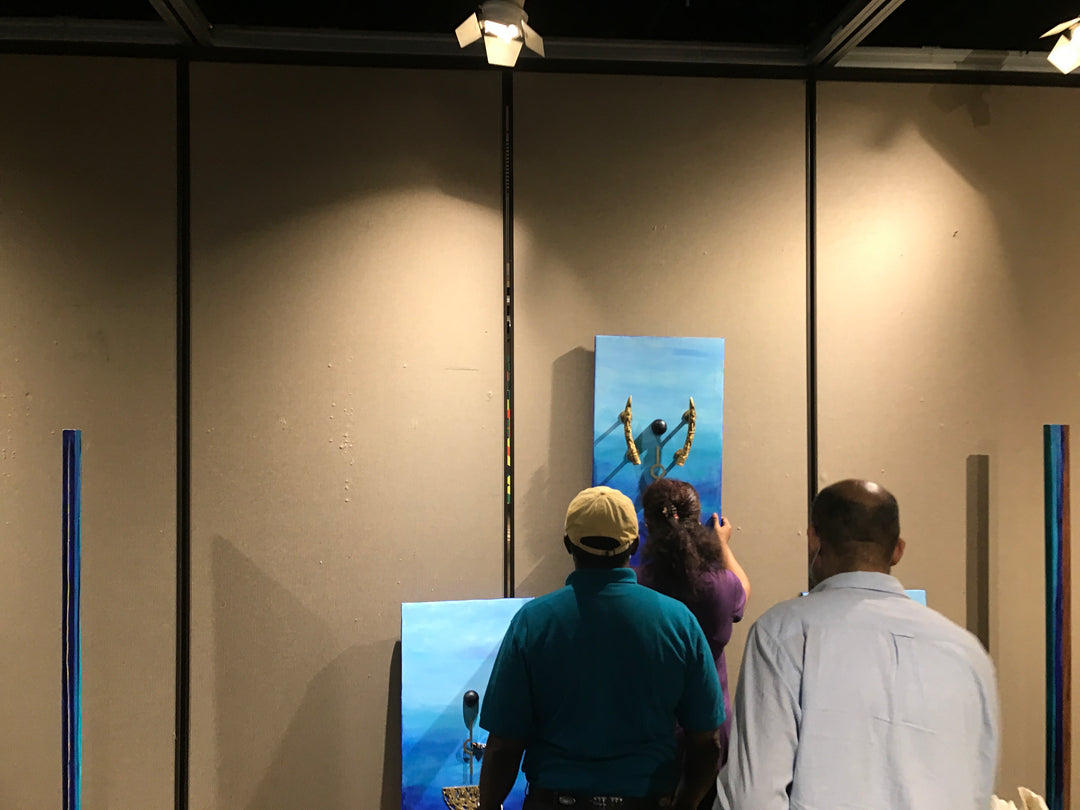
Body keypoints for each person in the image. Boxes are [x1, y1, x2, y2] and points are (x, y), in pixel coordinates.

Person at [717, 479, 1000, 810]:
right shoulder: (968, 653)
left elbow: (754, 796)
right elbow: (978, 788)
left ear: (813, 540)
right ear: (898, 550)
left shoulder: (783, 633)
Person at [477, 485, 725, 810]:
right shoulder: (679, 622)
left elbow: (503, 746)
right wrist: (685, 804)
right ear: (634, 544)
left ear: (568, 543)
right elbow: (707, 742)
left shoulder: (532, 623)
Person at [635, 479, 750, 789]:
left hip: (649, 730)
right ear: (698, 522)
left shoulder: (636, 585)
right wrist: (722, 544)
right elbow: (743, 588)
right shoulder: (722, 585)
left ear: (647, 526)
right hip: (710, 730)